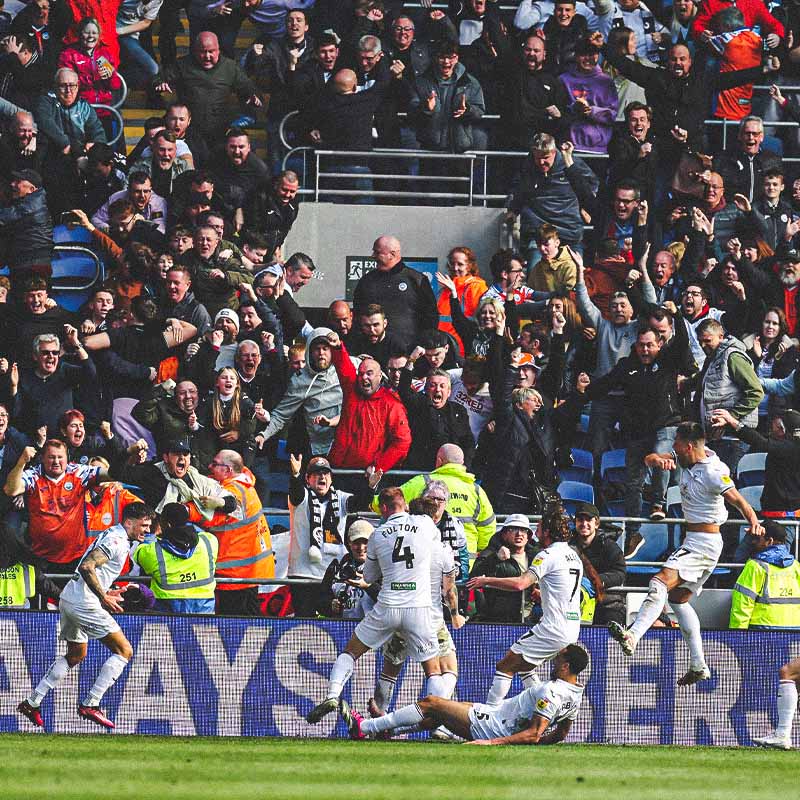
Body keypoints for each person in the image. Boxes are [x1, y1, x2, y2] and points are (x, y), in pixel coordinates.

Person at [608, 421, 764, 685]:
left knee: (658, 582)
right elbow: (648, 459)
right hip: (694, 540)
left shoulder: (714, 471)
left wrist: (754, 521)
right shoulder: (684, 460)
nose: (673, 449)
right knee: (679, 600)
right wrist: (658, 461)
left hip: (705, 542)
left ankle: (633, 635)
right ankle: (699, 665)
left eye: (676, 444)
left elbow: (738, 499)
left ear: (688, 446)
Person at [306, 487, 448, 725]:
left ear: (383, 508)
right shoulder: (425, 525)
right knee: (433, 670)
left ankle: (332, 695)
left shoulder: (378, 534)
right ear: (404, 504)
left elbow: (370, 576)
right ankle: (440, 718)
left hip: (387, 606)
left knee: (350, 652)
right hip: (419, 608)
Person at [16, 502, 156, 730]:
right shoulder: (116, 541)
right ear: (129, 522)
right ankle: (92, 703)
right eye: (144, 525)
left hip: (70, 598)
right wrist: (103, 597)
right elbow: (87, 567)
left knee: (75, 655)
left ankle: (32, 702)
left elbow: (92, 570)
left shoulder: (115, 535)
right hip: (84, 603)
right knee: (124, 651)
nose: (147, 530)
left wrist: (107, 591)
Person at [347, 643, 588, 744]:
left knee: (432, 703)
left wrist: (493, 742)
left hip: (492, 727)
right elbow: (561, 733)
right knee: (440, 713)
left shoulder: (552, 691)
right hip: (493, 716)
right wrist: (532, 744)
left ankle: (366, 727)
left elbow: (535, 733)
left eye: (558, 660)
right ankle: (386, 729)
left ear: (566, 666)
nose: (554, 663)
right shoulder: (575, 695)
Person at [466, 503, 583, 707]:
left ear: (547, 531)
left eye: (537, 529)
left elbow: (520, 583)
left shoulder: (546, 555)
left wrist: (486, 580)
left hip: (552, 628)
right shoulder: (574, 556)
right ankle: (538, 708)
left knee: (505, 666)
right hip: (572, 627)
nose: (535, 534)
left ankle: (487, 715)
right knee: (525, 667)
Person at [383, 443, 494, 565]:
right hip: (465, 564)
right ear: (462, 463)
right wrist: (479, 550)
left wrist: (372, 495)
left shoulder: (423, 482)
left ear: (439, 460)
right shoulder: (476, 490)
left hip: (426, 562)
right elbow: (488, 528)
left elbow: (387, 501)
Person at [326, 331, 411, 478]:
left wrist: (379, 467)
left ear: (380, 376)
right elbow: (345, 370)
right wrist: (338, 347)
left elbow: (402, 442)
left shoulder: (392, 404)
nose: (364, 377)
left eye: (369, 373)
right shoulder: (352, 391)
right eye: (361, 373)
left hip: (367, 476)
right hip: (338, 470)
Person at [203, 448, 274, 615]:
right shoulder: (243, 484)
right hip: (247, 571)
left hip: (236, 574)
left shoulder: (232, 492)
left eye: (214, 464)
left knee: (234, 627)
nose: (209, 466)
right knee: (250, 626)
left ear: (227, 470)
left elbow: (209, 519)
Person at [352, 235, 438, 350]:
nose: (373, 256)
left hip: (408, 352)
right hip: (373, 352)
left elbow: (431, 318)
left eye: (377, 252)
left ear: (392, 254)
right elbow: (358, 316)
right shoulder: (366, 281)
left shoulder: (417, 280)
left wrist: (421, 347)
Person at [132, 501, 218, 614]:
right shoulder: (209, 540)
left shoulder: (152, 551)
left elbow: (139, 550)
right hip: (204, 605)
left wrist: (153, 533)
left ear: (166, 524)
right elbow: (197, 532)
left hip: (168, 606)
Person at [730, 520, 800, 631]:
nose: (753, 542)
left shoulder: (755, 566)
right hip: (794, 632)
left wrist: (737, 635)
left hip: (761, 632)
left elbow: (742, 605)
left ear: (770, 541)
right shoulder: (796, 567)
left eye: (757, 539)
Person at [469, 514, 539, 623]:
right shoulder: (491, 553)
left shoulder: (537, 556)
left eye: (523, 530)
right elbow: (473, 577)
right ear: (504, 534)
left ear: (528, 536)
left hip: (529, 618)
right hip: (499, 621)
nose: (519, 534)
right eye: (513, 529)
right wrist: (495, 558)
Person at [571, 501, 626, 625]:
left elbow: (620, 573)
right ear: (575, 523)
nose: (584, 524)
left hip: (607, 604)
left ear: (596, 523)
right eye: (580, 520)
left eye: (588, 520)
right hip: (575, 603)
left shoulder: (609, 546)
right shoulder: (567, 545)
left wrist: (596, 581)